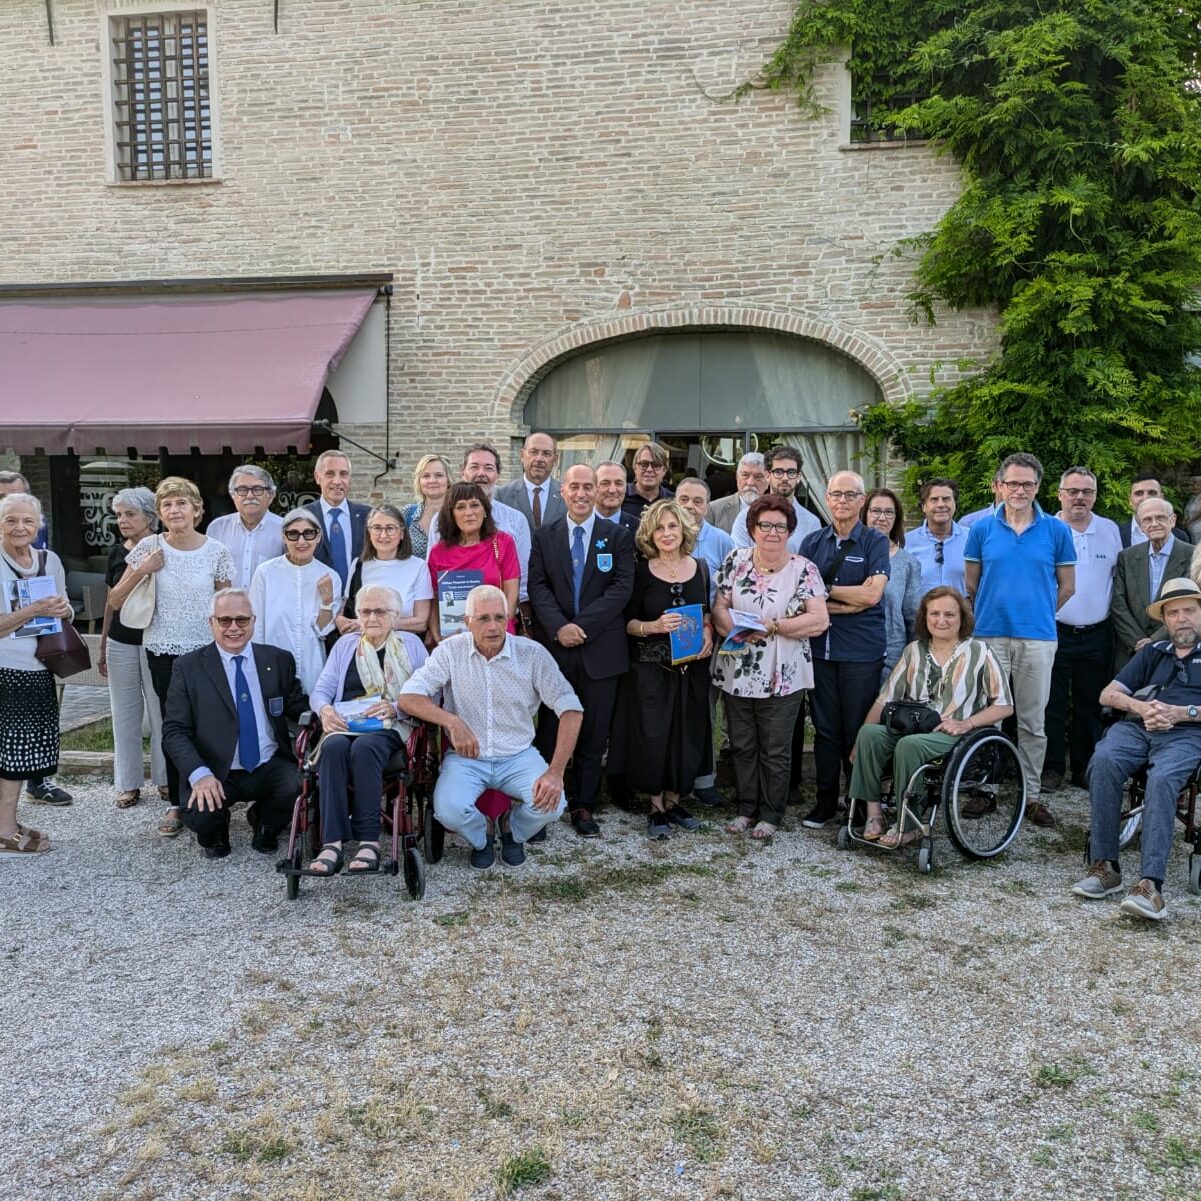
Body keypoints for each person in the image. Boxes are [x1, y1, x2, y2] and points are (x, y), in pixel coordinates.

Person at [399, 585, 583, 869]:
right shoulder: (450, 651)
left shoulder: (531, 654)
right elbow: (409, 697)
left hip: (518, 754)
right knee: (448, 811)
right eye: (483, 618)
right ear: (467, 621)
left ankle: (511, 828)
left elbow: (571, 709)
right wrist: (452, 721)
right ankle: (482, 834)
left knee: (553, 805)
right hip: (467, 758)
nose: (493, 626)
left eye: (499, 617)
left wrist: (556, 772)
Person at [107, 477, 235, 838]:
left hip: (206, 652)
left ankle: (211, 795)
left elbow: (225, 607)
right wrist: (143, 570)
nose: (175, 510)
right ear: (159, 513)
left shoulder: (216, 551)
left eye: (181, 503)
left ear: (197, 510)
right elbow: (115, 600)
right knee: (173, 726)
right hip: (163, 650)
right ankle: (178, 802)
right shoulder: (148, 547)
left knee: (209, 725)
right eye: (167, 504)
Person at [1072, 579, 1201, 921]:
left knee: (1162, 780)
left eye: (1189, 610)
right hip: (1138, 727)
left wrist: (1182, 713)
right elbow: (1107, 694)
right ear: (1165, 620)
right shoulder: (1153, 652)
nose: (1182, 618)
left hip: (1187, 734)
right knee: (1104, 760)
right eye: (1173, 613)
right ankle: (1105, 866)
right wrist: (1143, 708)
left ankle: (1150, 885)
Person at [847, 587, 1014, 846]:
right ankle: (874, 815)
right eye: (934, 613)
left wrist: (966, 723)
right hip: (912, 727)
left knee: (909, 745)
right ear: (924, 617)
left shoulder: (981, 652)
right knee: (869, 734)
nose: (941, 620)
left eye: (949, 614)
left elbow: (1004, 706)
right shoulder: (914, 650)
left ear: (962, 618)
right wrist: (859, 742)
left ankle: (910, 825)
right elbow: (885, 698)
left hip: (955, 733)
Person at [964, 452, 1076, 827]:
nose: (1019, 490)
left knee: (1032, 722)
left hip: (1038, 638)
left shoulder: (1057, 531)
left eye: (1027, 484)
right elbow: (971, 585)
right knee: (988, 718)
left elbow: (1068, 587)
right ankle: (985, 790)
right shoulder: (981, 529)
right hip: (989, 635)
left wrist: (1038, 610)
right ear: (999, 486)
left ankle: (1031, 796)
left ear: (1038, 487)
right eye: (1012, 483)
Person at [713, 494, 829, 838]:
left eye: (780, 526)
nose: (772, 532)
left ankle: (771, 813)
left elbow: (819, 620)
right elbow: (719, 606)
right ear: (753, 529)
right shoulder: (735, 561)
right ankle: (745, 809)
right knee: (742, 744)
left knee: (775, 748)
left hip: (784, 672)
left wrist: (774, 626)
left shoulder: (804, 569)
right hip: (739, 667)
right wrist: (735, 629)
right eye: (765, 525)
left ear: (790, 531)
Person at [528, 464, 635, 837]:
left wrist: (581, 627)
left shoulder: (618, 536)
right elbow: (538, 586)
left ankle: (583, 805)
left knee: (593, 732)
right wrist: (560, 627)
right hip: (555, 649)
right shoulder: (544, 536)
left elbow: (621, 588)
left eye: (588, 486)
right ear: (563, 491)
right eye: (574, 486)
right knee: (549, 730)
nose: (581, 493)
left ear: (596, 491)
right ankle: (542, 806)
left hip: (600, 650)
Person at [162, 588, 308, 860]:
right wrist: (199, 774)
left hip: (267, 763)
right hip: (216, 768)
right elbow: (174, 731)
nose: (234, 628)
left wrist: (331, 710)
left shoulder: (277, 660)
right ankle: (217, 829)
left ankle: (263, 822)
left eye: (242, 620)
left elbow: (298, 706)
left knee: (297, 784)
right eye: (224, 620)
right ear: (211, 623)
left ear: (253, 621)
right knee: (200, 814)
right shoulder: (188, 667)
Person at [306, 584, 428, 876]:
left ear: (395, 615)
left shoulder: (411, 645)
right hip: (346, 724)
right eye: (365, 611)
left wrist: (397, 707)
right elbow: (321, 690)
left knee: (365, 747)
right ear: (357, 615)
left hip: (390, 725)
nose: (372, 617)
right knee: (332, 747)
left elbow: (430, 693)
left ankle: (368, 841)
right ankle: (331, 843)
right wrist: (325, 711)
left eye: (380, 611)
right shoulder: (345, 645)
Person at [799, 471, 891, 829]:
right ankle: (824, 802)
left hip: (861, 652)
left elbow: (872, 595)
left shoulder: (874, 541)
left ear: (862, 500)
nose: (842, 501)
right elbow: (802, 598)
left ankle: (858, 805)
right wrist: (846, 601)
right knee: (825, 730)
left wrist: (824, 591)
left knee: (857, 730)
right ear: (826, 498)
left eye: (850, 495)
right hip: (820, 649)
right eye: (836, 494)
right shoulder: (812, 542)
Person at [624, 499, 714, 839]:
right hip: (651, 669)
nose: (666, 533)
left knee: (687, 732)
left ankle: (676, 801)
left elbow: (707, 613)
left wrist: (709, 631)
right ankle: (656, 806)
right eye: (659, 528)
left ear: (684, 530)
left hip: (692, 669)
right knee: (654, 734)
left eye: (672, 526)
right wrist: (654, 626)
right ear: (650, 533)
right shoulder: (641, 572)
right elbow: (627, 623)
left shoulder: (701, 568)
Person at [0, 492, 73, 854]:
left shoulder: (49, 560)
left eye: (28, 520)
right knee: (11, 754)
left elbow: (67, 611)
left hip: (41, 666)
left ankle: (7, 822)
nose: (20, 527)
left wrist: (62, 609)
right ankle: (5, 832)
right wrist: (33, 610)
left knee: (26, 753)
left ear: (39, 525)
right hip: (6, 670)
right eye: (11, 520)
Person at [1042, 468, 1123, 791]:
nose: (1079, 497)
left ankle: (1083, 767)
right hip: (1055, 630)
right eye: (1072, 491)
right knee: (1052, 703)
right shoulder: (1045, 528)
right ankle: (1051, 769)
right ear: (1059, 494)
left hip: (1097, 633)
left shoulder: (1109, 529)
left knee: (1091, 704)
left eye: (1087, 492)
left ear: (1095, 496)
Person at [98, 487, 169, 808]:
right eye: (118, 515)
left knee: (160, 714)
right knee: (124, 714)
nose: (122, 520)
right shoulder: (117, 553)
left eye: (130, 514)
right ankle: (128, 783)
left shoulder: (165, 547)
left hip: (158, 640)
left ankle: (165, 780)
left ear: (150, 516)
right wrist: (103, 644)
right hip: (121, 641)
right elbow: (111, 602)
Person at [675, 477, 735, 806]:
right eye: (684, 499)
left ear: (708, 506)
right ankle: (675, 777)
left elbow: (731, 589)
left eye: (698, 501)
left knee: (705, 709)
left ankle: (705, 780)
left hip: (711, 637)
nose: (690, 506)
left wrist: (713, 624)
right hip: (671, 634)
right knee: (676, 709)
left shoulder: (722, 542)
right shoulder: (663, 536)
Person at [429, 444, 533, 611]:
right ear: (463, 472)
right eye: (474, 467)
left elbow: (522, 578)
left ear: (497, 475)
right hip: (452, 616)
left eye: (489, 468)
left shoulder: (516, 520)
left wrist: (509, 615)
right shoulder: (439, 521)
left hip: (501, 614)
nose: (481, 473)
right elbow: (434, 581)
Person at [249, 508, 341, 693]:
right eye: (293, 534)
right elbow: (255, 624)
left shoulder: (330, 576)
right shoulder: (265, 572)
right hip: (272, 659)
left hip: (312, 662)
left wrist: (326, 601)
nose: (301, 541)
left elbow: (323, 631)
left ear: (318, 536)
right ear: (284, 537)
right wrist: (258, 664)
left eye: (308, 534)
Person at [427, 483, 520, 641]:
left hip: (497, 633)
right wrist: (438, 636)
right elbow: (435, 600)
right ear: (451, 514)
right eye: (460, 507)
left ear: (485, 510)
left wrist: (498, 627)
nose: (469, 512)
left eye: (475, 505)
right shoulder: (438, 552)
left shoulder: (503, 542)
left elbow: (511, 593)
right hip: (454, 636)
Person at [1112, 498, 1192, 668]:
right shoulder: (1126, 557)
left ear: (1173, 520)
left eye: (1160, 517)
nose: (1154, 524)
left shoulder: (1192, 556)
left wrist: (1155, 640)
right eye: (1147, 519)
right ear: (1141, 525)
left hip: (1176, 648)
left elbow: (1191, 604)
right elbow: (1118, 604)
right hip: (1132, 651)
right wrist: (1138, 641)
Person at [338, 504, 433, 639]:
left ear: (402, 533)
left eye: (390, 528)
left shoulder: (418, 567)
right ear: (368, 533)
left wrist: (372, 623)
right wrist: (340, 619)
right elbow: (345, 607)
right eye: (377, 528)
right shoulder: (358, 565)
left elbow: (421, 622)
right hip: (364, 645)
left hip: (403, 644)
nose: (383, 535)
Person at [862, 487, 921, 680]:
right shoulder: (850, 554)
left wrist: (912, 659)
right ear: (865, 513)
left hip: (891, 657)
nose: (882, 518)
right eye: (875, 511)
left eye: (889, 512)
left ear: (896, 518)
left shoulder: (908, 563)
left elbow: (913, 617)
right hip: (851, 652)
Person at [302, 450, 372, 594]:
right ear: (317, 477)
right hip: (315, 599)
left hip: (359, 601)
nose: (337, 481)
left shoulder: (368, 516)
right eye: (330, 474)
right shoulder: (302, 517)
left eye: (343, 474)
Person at [205, 465, 285, 589]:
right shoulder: (217, 528)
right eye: (242, 489)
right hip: (226, 601)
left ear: (271, 495)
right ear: (233, 495)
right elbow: (207, 574)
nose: (250, 496)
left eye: (257, 489)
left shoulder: (285, 529)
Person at [732, 445, 821, 552]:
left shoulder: (811, 523)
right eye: (778, 472)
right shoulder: (745, 517)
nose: (785, 478)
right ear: (767, 475)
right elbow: (739, 558)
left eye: (791, 472)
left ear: (798, 477)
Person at [906, 478, 969, 597]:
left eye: (946, 499)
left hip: (961, 608)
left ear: (955, 504)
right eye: (934, 500)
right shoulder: (907, 543)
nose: (941, 504)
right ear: (924, 507)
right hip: (919, 609)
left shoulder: (971, 539)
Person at [495, 432, 566, 532]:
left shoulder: (566, 495)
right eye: (533, 452)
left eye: (546, 454)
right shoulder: (503, 495)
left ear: (555, 459)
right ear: (522, 455)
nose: (539, 459)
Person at [1117, 474, 1193, 548]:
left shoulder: (1180, 536)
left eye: (1152, 493)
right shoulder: (1117, 534)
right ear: (1130, 500)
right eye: (1139, 493)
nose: (1145, 498)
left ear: (1162, 498)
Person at [402, 453, 450, 559]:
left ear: (448, 480)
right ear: (419, 482)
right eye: (426, 476)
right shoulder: (408, 513)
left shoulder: (458, 515)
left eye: (439, 475)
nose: (432, 481)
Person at [707, 452, 768, 535]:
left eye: (758, 477)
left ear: (768, 480)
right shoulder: (714, 510)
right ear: (737, 477)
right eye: (745, 475)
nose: (750, 483)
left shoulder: (777, 510)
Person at [621, 441, 675, 522]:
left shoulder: (672, 501)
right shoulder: (621, 495)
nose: (649, 469)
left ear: (664, 470)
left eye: (656, 465)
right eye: (643, 464)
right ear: (635, 468)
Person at [594, 461, 639, 532]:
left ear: (625, 487)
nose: (612, 490)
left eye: (618, 483)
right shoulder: (579, 522)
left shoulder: (639, 528)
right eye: (605, 483)